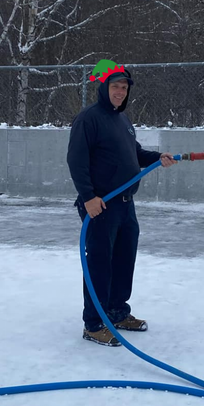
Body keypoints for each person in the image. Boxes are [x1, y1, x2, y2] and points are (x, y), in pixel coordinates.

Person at [67, 60, 176, 346]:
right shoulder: (89, 118)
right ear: (104, 87)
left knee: (124, 261)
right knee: (100, 264)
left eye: (124, 87)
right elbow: (76, 161)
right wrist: (89, 197)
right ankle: (93, 324)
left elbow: (134, 152)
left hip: (125, 204)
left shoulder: (122, 119)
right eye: (115, 86)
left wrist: (157, 157)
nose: (120, 92)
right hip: (101, 205)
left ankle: (116, 312)